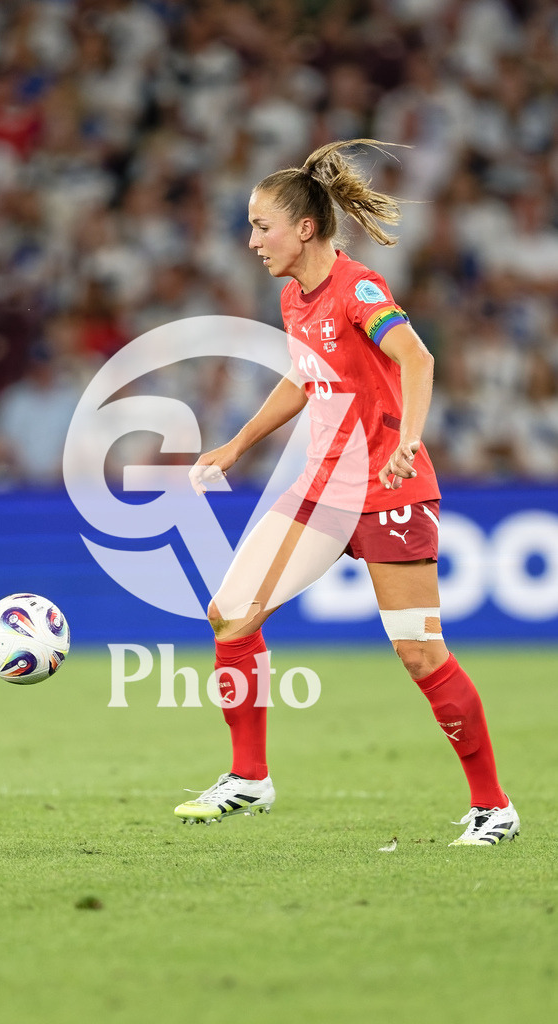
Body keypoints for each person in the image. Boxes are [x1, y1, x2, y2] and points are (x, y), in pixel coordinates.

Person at [174, 139, 519, 847]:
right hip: (322, 489)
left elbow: (416, 358)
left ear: (304, 228)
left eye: (260, 226)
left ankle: (494, 809)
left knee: (419, 652)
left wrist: (406, 440)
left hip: (388, 488)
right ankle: (248, 778)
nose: (251, 240)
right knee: (230, 615)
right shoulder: (292, 295)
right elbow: (304, 378)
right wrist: (239, 443)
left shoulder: (357, 290)